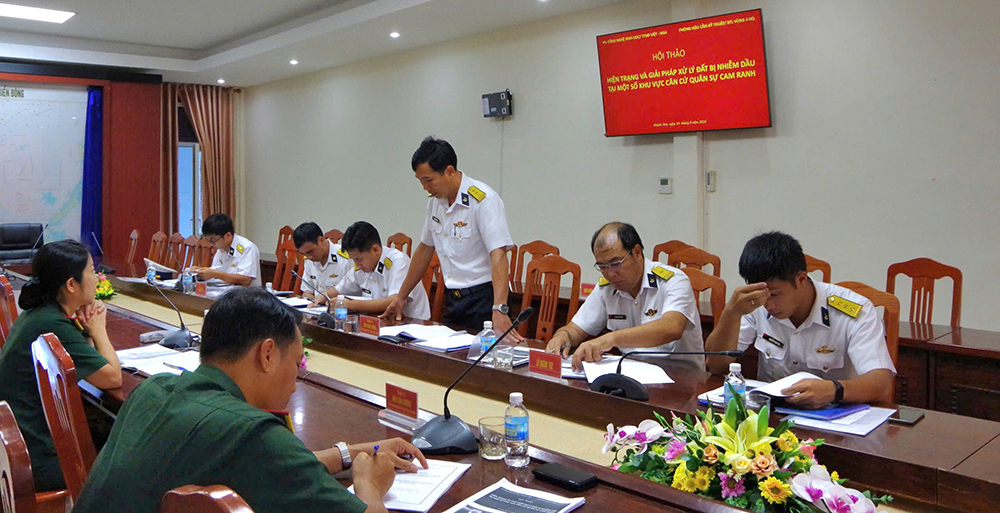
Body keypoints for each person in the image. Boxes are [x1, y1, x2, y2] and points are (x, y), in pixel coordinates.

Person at [73, 288, 427, 513]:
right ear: (267, 354)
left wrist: (353, 452)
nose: (295, 383)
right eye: (297, 363)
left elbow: (275, 464)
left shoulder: (154, 389)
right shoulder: (253, 433)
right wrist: (369, 483)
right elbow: (268, 455)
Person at [704, 231, 896, 408]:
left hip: (835, 417)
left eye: (775, 294)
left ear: (801, 279)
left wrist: (834, 390)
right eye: (762, 295)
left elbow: (881, 382)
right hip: (773, 417)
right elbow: (715, 365)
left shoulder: (853, 310)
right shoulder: (755, 304)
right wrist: (732, 312)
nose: (768, 305)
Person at [0, 240, 122, 491]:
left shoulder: (40, 313)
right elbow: (112, 378)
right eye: (92, 271)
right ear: (71, 285)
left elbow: (84, 355)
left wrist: (86, 330)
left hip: (15, 443)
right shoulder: (52, 324)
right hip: (36, 458)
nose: (97, 278)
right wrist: (99, 330)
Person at [382, 136, 517, 336]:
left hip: (484, 299)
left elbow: (498, 255)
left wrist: (499, 308)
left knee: (482, 354)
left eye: (428, 180)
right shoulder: (435, 203)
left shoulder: (483, 200)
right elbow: (425, 249)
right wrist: (401, 296)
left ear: (449, 171)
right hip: (453, 299)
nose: (425, 187)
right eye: (420, 181)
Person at [545, 222, 706, 371]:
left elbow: (672, 327)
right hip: (632, 375)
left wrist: (611, 339)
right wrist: (562, 336)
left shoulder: (673, 280)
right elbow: (575, 329)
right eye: (602, 266)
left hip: (681, 378)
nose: (610, 274)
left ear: (637, 252)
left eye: (616, 264)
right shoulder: (606, 289)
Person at [328, 221, 430, 320]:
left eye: (359, 259)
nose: (357, 265)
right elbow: (339, 289)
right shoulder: (361, 268)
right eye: (354, 260)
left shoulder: (398, 261)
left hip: (411, 323)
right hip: (381, 321)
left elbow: (394, 301)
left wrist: (350, 304)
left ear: (375, 250)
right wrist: (323, 297)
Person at [191, 213, 261, 287]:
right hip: (223, 290)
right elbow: (216, 270)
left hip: (245, 293)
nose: (211, 244)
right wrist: (200, 270)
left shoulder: (247, 248)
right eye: (208, 241)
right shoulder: (221, 249)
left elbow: (246, 280)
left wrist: (215, 274)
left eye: (213, 241)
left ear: (228, 235)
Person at [292, 222, 354, 304]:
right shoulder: (309, 260)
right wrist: (314, 302)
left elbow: (356, 293)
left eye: (310, 252)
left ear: (321, 240)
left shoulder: (346, 258)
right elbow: (307, 292)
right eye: (304, 254)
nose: (309, 257)